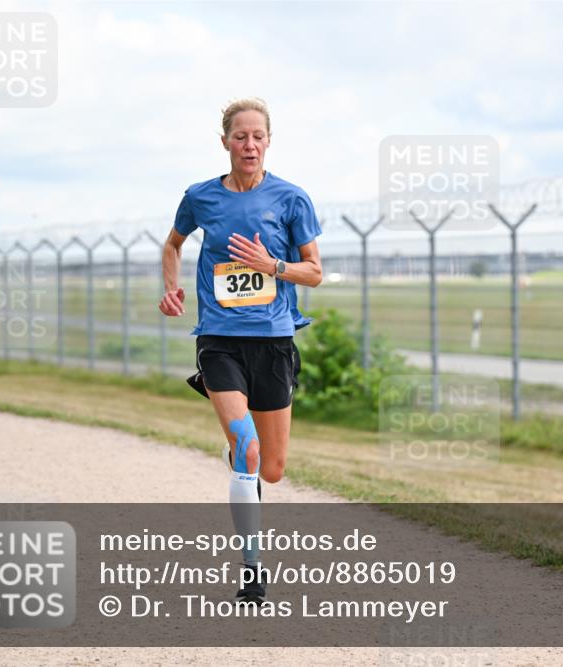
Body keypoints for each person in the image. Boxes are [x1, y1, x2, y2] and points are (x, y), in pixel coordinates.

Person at [158, 97, 322, 602]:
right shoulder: (200, 196)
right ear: (225, 141)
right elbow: (173, 244)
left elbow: (314, 272)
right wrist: (171, 288)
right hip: (219, 340)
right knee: (248, 449)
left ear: (268, 141)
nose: (249, 145)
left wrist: (272, 265)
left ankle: (242, 458)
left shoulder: (292, 199)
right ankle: (252, 569)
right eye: (239, 136)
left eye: (257, 136)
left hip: (273, 341)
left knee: (271, 468)